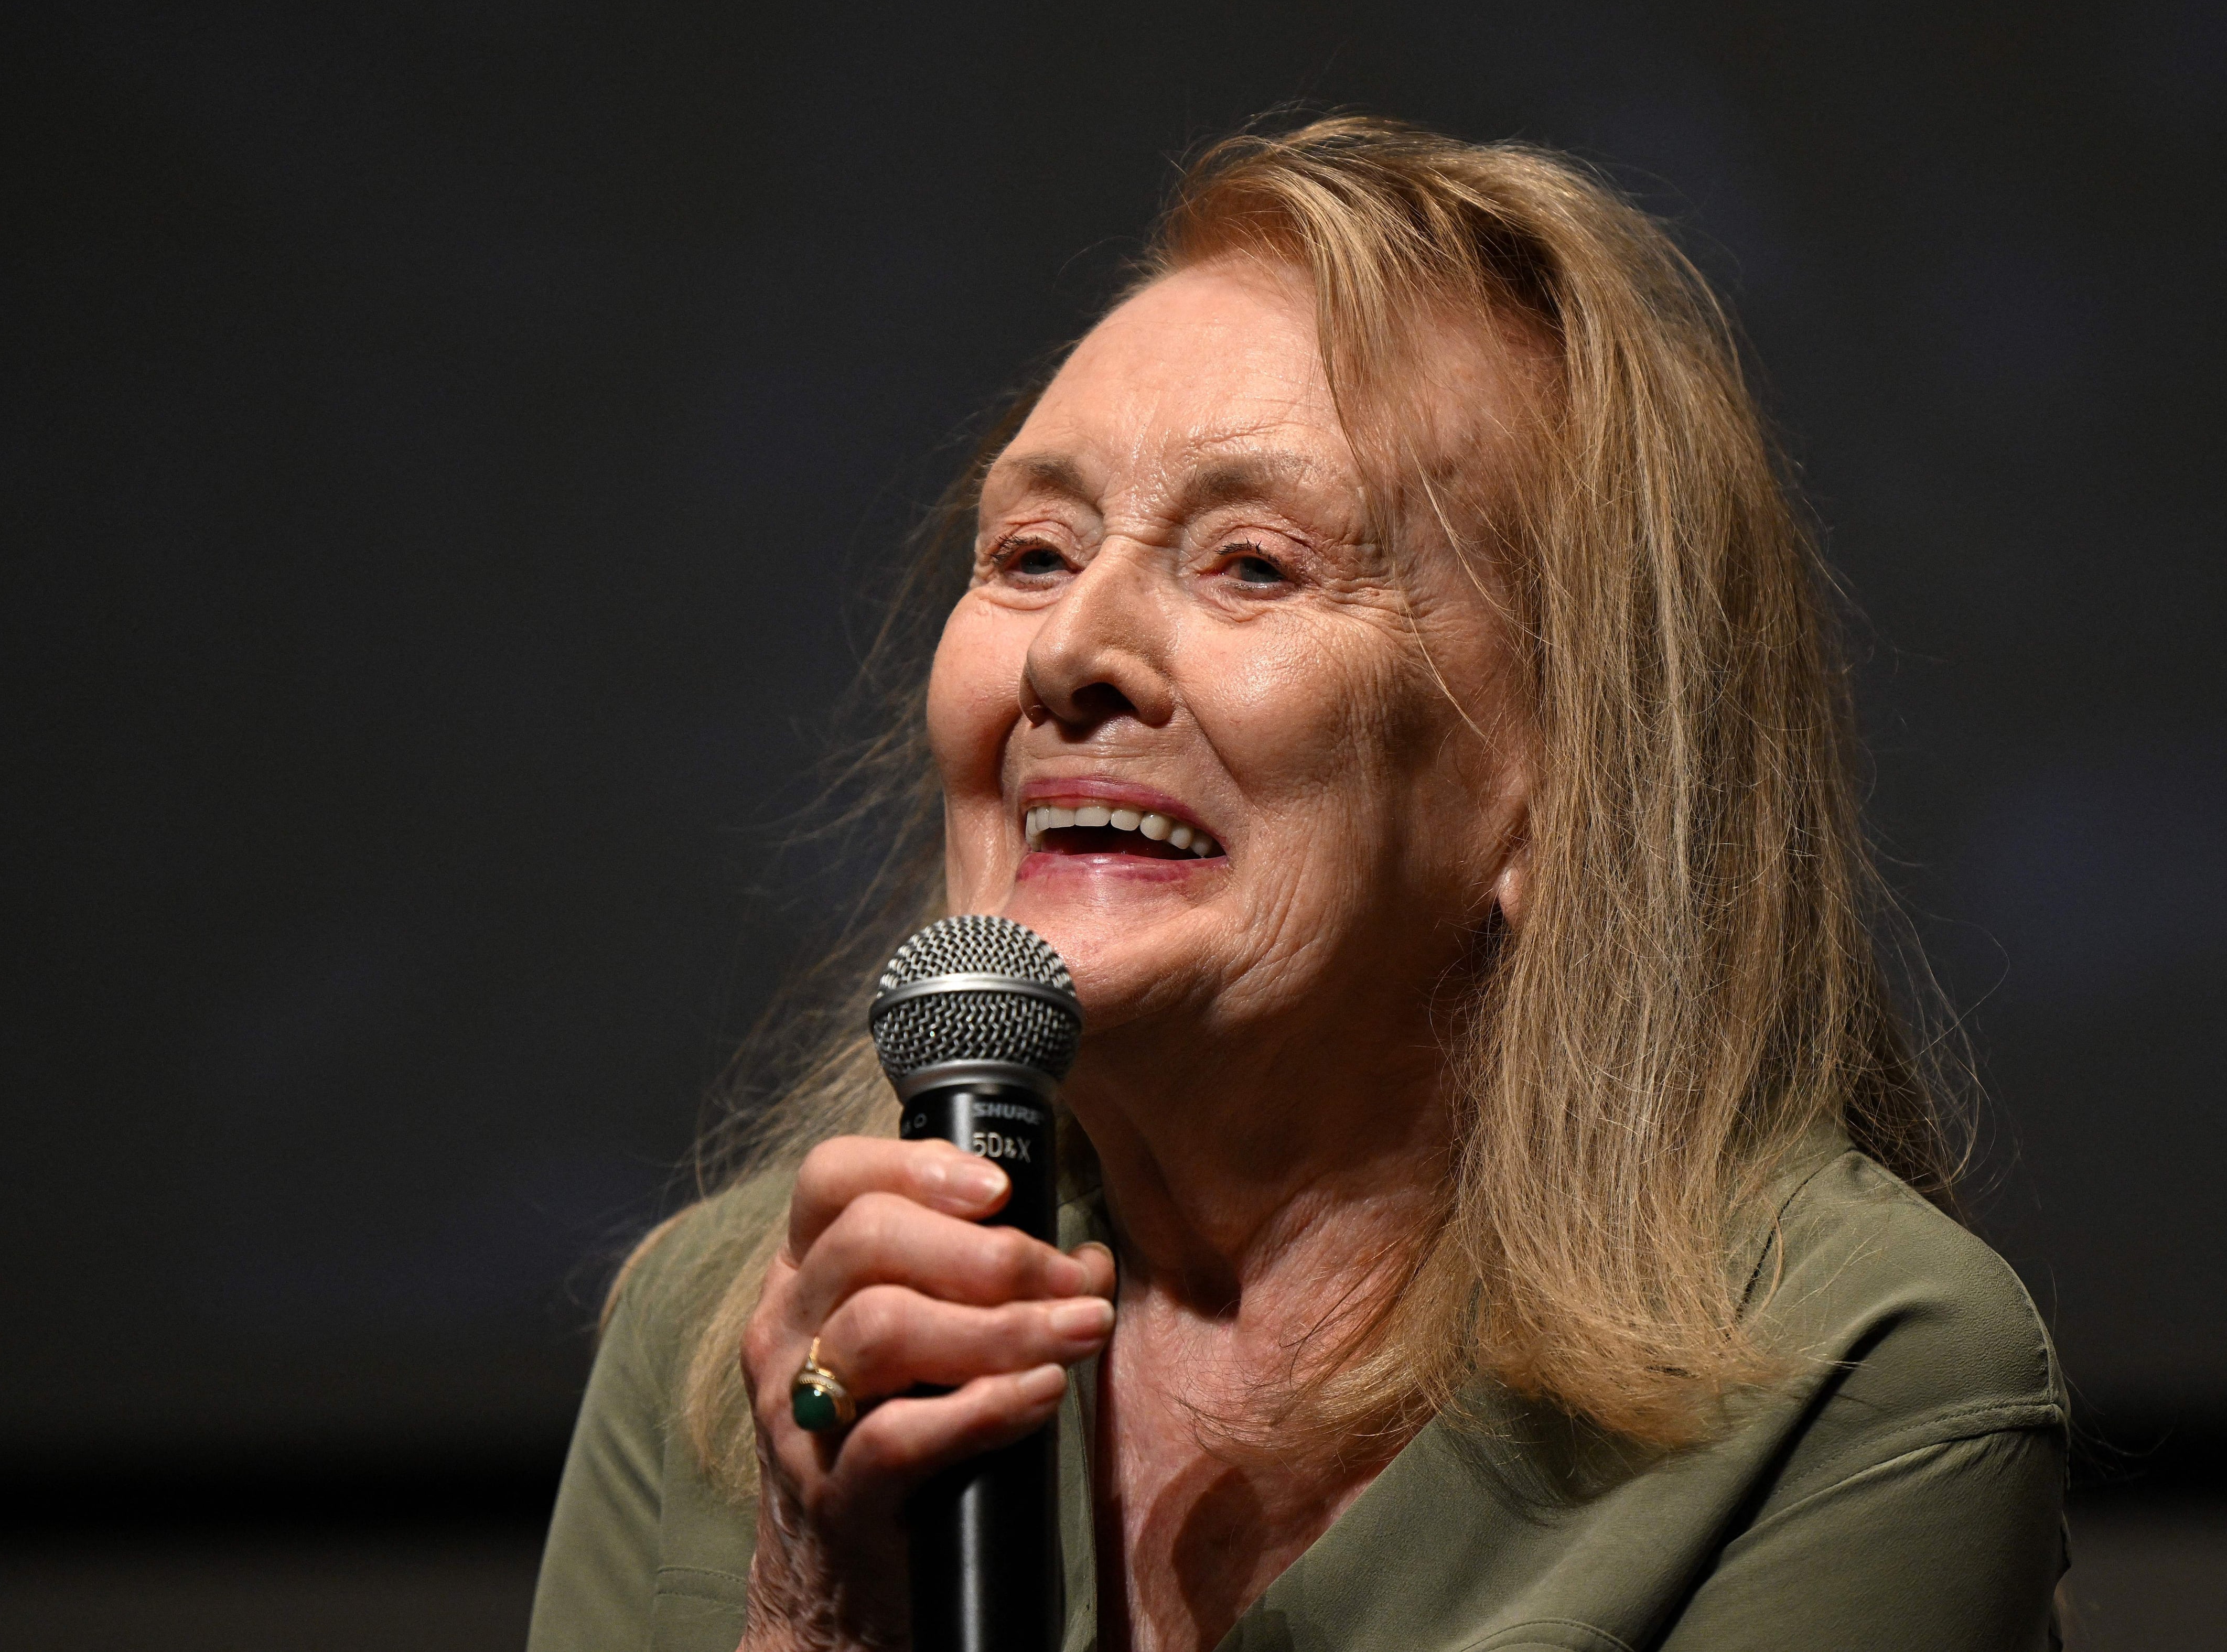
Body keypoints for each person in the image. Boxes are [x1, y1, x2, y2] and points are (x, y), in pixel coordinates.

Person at [528, 115, 2068, 1652]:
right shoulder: (748, 1343)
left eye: (1253, 564)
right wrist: (820, 1613)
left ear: (1566, 777)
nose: (1072, 655)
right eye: (1035, 552)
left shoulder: (1850, 1374)